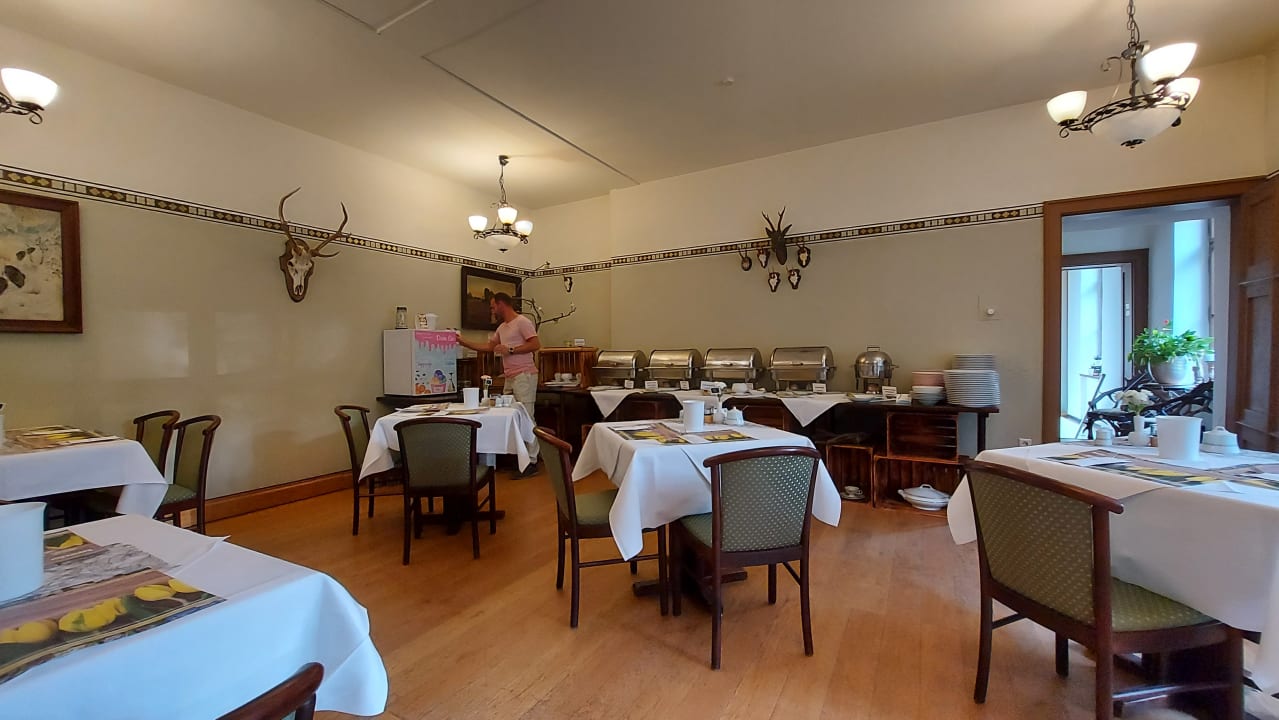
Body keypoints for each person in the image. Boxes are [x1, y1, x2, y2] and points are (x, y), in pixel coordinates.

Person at [456, 292, 541, 475]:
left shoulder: (522, 322)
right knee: (510, 416)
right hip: (509, 377)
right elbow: (489, 347)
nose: (492, 310)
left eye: (493, 306)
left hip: (524, 376)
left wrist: (511, 349)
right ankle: (520, 458)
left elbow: (535, 344)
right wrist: (463, 342)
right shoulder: (502, 328)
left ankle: (532, 461)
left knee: (527, 417)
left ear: (502, 304)